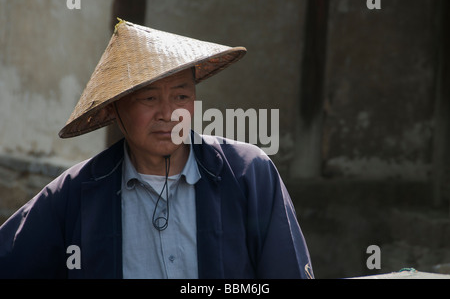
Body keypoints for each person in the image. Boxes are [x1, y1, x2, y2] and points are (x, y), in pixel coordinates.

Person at [0, 19, 314, 279]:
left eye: (181, 97)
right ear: (114, 109)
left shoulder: (247, 173)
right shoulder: (75, 193)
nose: (168, 113)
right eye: (149, 99)